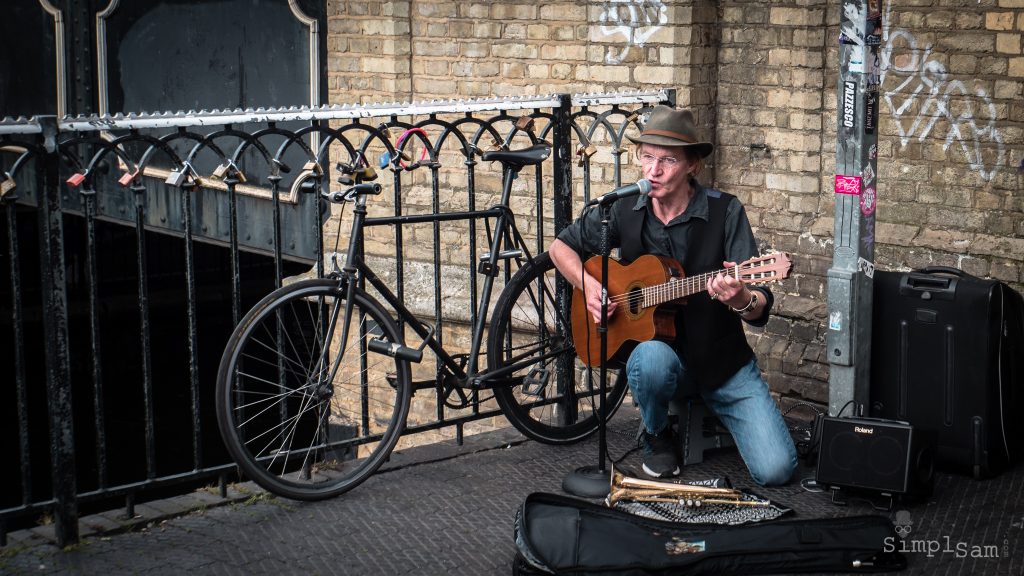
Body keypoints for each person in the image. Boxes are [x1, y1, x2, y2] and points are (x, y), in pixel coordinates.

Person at [549, 105, 797, 486]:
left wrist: (740, 299)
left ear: (692, 165)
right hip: (661, 361)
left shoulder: (725, 211)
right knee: (649, 358)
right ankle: (656, 433)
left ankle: (715, 412)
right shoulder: (623, 210)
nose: (653, 171)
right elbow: (560, 249)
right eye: (647, 157)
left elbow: (760, 302)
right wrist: (591, 286)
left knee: (777, 471)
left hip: (722, 366)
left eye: (667, 160)